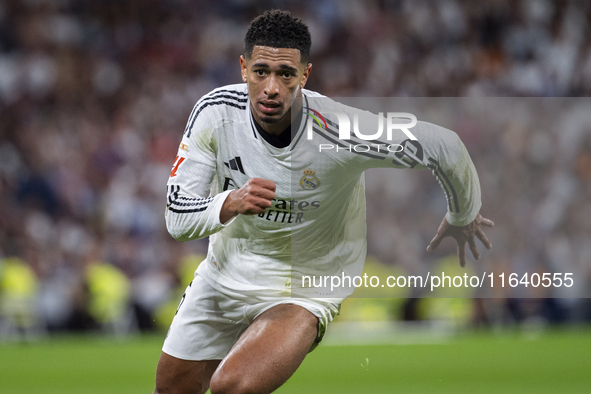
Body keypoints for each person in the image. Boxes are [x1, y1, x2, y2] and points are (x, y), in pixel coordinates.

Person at [154, 9, 493, 394]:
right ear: (243, 68)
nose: (271, 87)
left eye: (285, 75)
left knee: (232, 387)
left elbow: (443, 145)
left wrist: (463, 213)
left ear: (305, 75)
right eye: (261, 71)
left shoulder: (340, 130)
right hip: (223, 276)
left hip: (305, 285)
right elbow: (177, 217)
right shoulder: (215, 114)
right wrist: (229, 202)